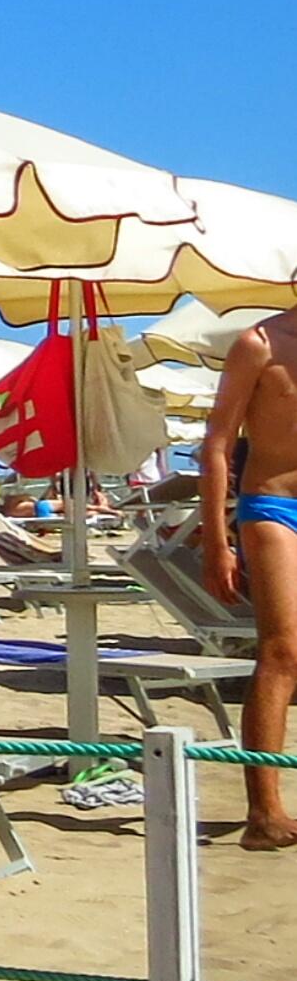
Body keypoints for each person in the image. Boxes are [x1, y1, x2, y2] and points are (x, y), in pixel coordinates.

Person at [199, 305, 297, 850]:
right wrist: (216, 539)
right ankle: (264, 812)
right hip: (273, 507)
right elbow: (216, 443)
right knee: (283, 651)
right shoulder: (260, 343)